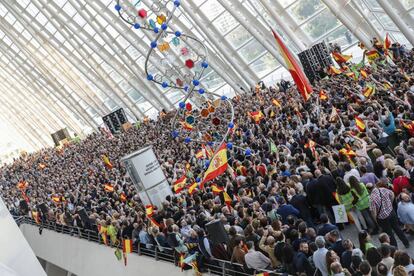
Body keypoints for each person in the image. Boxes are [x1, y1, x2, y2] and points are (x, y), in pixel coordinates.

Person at [370, 181, 410, 248]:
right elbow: (392, 194)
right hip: (391, 213)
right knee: (397, 228)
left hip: (382, 218)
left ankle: (395, 248)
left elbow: (373, 212)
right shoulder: (383, 189)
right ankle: (406, 243)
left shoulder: (371, 198)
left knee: (389, 234)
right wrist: (390, 203)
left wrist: (376, 221)